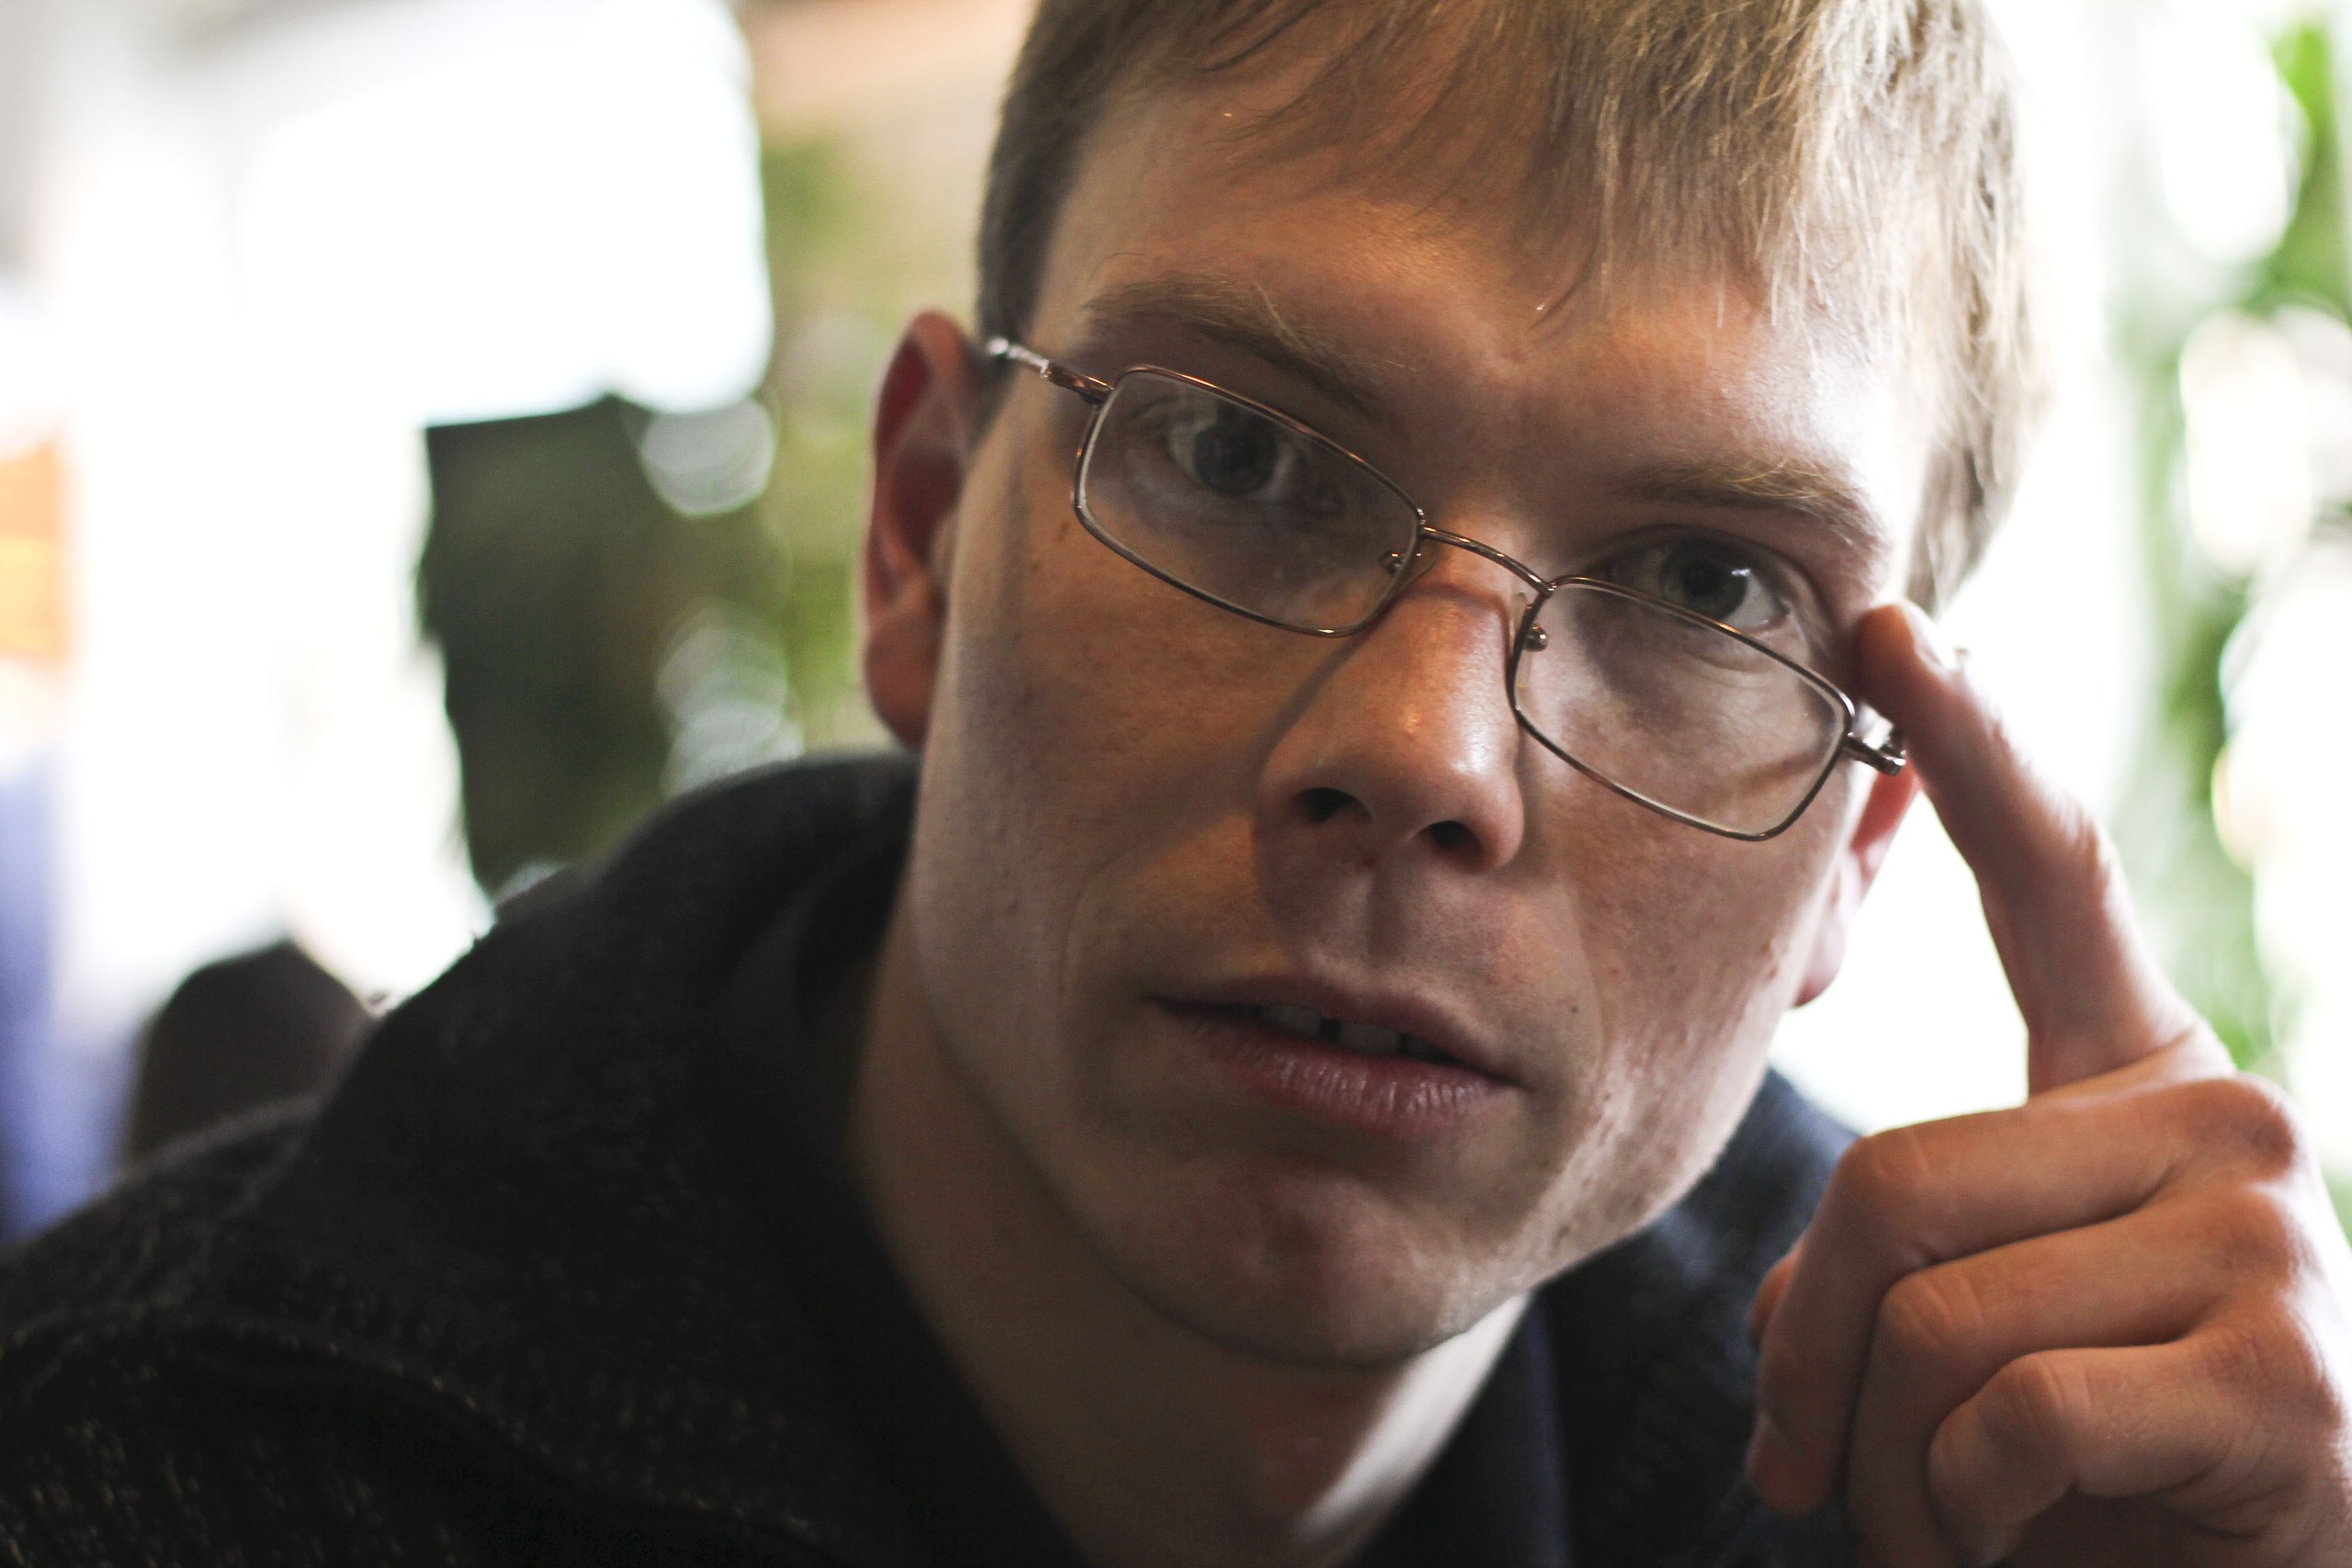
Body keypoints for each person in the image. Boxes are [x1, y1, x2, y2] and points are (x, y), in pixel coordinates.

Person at [5, 1, 2349, 1563]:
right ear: (921, 536)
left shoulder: (1984, 1517)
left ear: (1861, 833)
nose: (1417, 754)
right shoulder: (120, 1467)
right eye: (1237, 455)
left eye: (1705, 586)